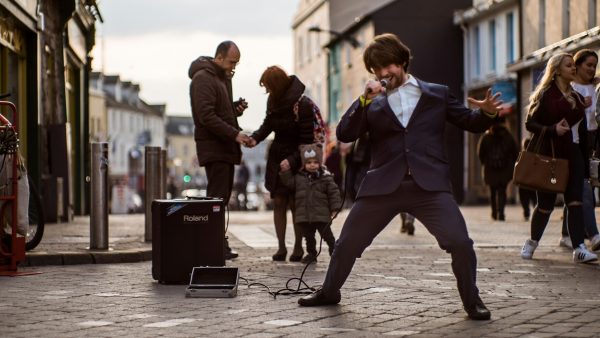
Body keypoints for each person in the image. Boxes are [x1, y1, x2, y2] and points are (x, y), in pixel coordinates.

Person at [298, 33, 507, 321]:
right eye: (377, 69)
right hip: (382, 185)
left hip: (429, 186)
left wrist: (487, 115)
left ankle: (473, 302)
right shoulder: (372, 101)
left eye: (389, 66)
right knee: (347, 243)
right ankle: (329, 291)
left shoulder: (437, 93)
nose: (384, 74)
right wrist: (364, 100)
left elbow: (469, 122)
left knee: (460, 242)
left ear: (402, 62)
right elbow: (346, 133)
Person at [520, 53, 598, 264]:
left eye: (574, 65)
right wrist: (552, 129)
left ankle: (579, 248)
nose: (574, 69)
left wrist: (586, 160)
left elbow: (581, 132)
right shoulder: (545, 95)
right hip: (550, 155)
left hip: (573, 153)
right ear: (556, 70)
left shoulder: (577, 97)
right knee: (545, 205)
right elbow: (530, 124)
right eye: (569, 66)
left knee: (575, 201)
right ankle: (532, 241)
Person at [188, 40, 251, 260]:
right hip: (215, 147)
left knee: (220, 199)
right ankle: (213, 244)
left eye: (236, 63)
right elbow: (206, 116)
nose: (234, 67)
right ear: (220, 57)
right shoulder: (203, 78)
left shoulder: (220, 78)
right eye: (232, 62)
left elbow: (219, 112)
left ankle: (215, 242)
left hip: (223, 147)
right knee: (216, 199)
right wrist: (234, 134)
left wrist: (235, 110)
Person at [246, 65, 315, 262]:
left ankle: (298, 247)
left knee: (295, 203)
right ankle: (281, 247)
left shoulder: (302, 104)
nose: (266, 91)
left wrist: (293, 160)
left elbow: (307, 141)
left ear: (276, 85)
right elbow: (268, 123)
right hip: (277, 156)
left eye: (268, 86)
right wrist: (255, 138)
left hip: (297, 156)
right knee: (278, 202)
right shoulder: (273, 100)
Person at [557, 49, 600, 251]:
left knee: (579, 189)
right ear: (578, 65)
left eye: (594, 65)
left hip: (593, 141)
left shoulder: (596, 87)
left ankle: (569, 233)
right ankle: (592, 234)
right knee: (581, 187)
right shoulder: (570, 87)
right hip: (574, 141)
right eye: (588, 65)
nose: (592, 69)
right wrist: (580, 107)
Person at [279, 143, 342, 264]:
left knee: (327, 236)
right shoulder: (299, 177)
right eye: (308, 163)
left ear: (320, 163)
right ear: (304, 164)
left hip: (321, 215)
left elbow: (334, 193)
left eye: (315, 162)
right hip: (306, 215)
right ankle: (311, 254)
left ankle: (334, 251)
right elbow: (289, 184)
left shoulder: (325, 177)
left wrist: (335, 209)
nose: (312, 165)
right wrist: (285, 172)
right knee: (308, 237)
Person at [477, 118, 519, 221]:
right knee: (502, 190)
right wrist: (512, 164)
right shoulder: (508, 136)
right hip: (505, 168)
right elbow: (515, 151)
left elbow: (480, 153)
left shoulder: (486, 136)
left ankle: (494, 213)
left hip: (490, 168)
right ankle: (501, 213)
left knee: (492, 191)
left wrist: (484, 163)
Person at [518, 138, 537, 221]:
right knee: (534, 198)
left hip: (523, 182)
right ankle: (536, 213)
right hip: (533, 182)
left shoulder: (521, 155)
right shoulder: (536, 155)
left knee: (524, 198)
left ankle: (526, 212)